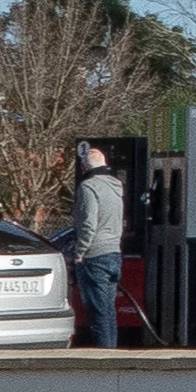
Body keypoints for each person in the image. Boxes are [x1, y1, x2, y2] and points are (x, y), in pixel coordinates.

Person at [70, 148, 126, 348]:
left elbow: (88, 224)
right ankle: (112, 354)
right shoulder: (116, 186)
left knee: (97, 313)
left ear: (85, 166)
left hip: (94, 255)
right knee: (109, 311)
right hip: (114, 253)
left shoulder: (88, 187)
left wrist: (79, 252)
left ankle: (104, 358)